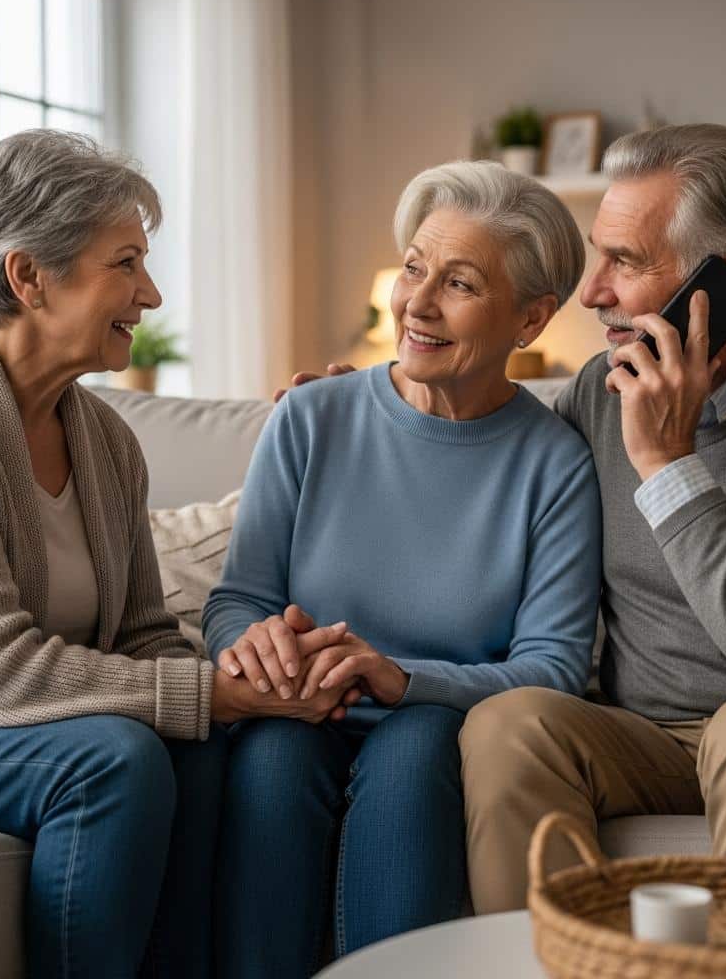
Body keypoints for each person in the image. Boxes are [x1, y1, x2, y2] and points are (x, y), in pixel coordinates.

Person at [0, 129, 353, 977]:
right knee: (114, 760)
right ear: (28, 276)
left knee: (202, 747)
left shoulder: (105, 439)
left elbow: (141, 636)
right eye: (125, 264)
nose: (150, 294)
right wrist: (216, 694)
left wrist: (258, 674)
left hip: (7, 726)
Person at [458, 123, 726, 912]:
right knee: (508, 724)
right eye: (599, 256)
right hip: (649, 736)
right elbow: (491, 504)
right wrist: (369, 415)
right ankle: (553, 960)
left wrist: (668, 461)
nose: (592, 292)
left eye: (625, 262)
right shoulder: (599, 391)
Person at [203, 160, 602, 977]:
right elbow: (238, 598)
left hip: (434, 719)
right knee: (271, 758)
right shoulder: (309, 417)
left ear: (531, 318)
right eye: (414, 268)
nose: (417, 302)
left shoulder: (555, 463)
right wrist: (255, 645)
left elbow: (554, 666)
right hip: (299, 709)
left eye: (459, 283)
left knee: (417, 753)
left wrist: (402, 679)